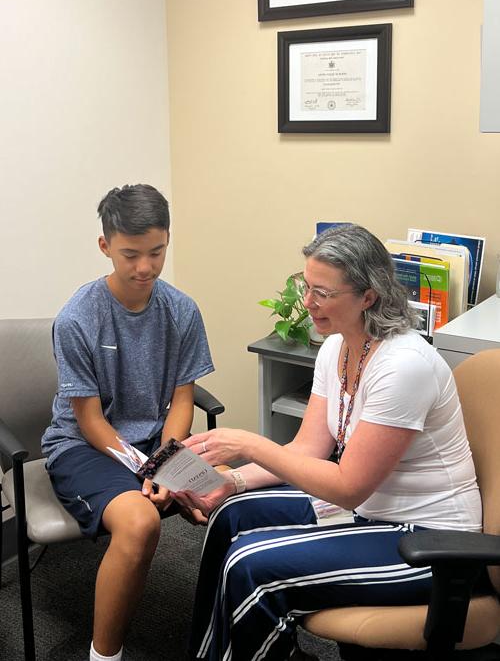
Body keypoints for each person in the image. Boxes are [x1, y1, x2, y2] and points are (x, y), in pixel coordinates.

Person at [175, 224, 482, 661]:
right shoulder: (337, 346)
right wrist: (233, 483)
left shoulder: (403, 367)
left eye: (322, 292)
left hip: (432, 539)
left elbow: (347, 485)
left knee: (253, 565)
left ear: (368, 296)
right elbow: (306, 450)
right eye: (306, 286)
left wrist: (248, 444)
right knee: (229, 515)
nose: (307, 303)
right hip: (370, 512)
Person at [41, 184, 214, 661]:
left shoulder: (181, 310)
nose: (145, 267)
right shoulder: (79, 317)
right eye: (130, 254)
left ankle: (229, 633)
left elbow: (183, 402)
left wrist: (167, 464)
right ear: (105, 247)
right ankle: (104, 655)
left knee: (226, 498)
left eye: (156, 252)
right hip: (84, 446)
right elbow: (91, 421)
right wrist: (150, 471)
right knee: (140, 524)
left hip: (155, 443)